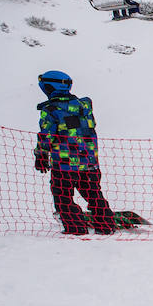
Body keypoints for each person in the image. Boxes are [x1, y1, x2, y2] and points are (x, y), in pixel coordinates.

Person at [33, 70, 117, 235]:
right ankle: (106, 225)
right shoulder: (83, 106)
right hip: (89, 163)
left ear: (48, 87)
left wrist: (41, 155)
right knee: (93, 194)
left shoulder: (51, 110)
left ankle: (75, 228)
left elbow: (46, 135)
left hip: (64, 166)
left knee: (63, 197)